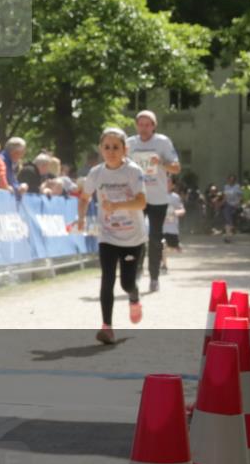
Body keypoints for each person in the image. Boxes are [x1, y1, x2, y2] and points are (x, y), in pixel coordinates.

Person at [77, 127, 147, 345]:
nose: (111, 151)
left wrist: (116, 205)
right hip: (107, 235)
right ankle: (107, 327)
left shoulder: (133, 171)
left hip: (133, 237)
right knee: (107, 278)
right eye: (106, 147)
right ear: (101, 149)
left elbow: (141, 202)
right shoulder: (96, 173)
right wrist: (81, 219)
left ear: (125, 149)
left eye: (116, 147)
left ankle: (134, 296)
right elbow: (85, 196)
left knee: (127, 283)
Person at [126, 110, 180, 292]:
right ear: (136, 126)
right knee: (136, 236)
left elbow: (176, 167)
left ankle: (154, 276)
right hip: (137, 197)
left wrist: (161, 164)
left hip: (157, 198)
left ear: (154, 126)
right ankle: (136, 272)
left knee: (155, 237)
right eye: (141, 124)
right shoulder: (130, 143)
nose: (144, 128)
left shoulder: (163, 142)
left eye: (147, 124)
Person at [161, 178, 186, 273]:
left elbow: (182, 210)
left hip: (172, 228)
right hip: (160, 227)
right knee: (162, 245)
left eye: (169, 183)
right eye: (165, 182)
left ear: (173, 185)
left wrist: (174, 212)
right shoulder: (158, 196)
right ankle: (164, 265)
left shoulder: (175, 197)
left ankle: (176, 245)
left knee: (171, 246)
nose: (167, 184)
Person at [222, 174, 243, 242]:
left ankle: (229, 235)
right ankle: (228, 237)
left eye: (233, 180)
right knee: (228, 220)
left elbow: (240, 196)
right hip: (228, 205)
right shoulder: (226, 187)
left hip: (235, 205)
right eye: (230, 179)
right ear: (228, 180)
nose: (231, 181)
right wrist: (221, 204)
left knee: (232, 221)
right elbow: (225, 197)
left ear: (234, 180)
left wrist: (238, 203)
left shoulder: (237, 187)